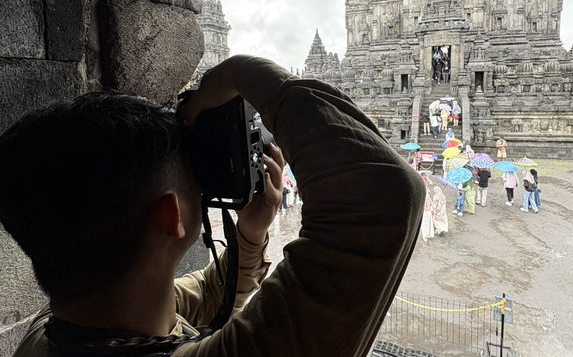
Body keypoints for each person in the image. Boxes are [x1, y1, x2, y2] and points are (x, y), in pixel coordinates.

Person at [1, 55, 424, 357]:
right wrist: (242, 72)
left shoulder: (57, 324)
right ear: (170, 216)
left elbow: (208, 294)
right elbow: (385, 193)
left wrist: (251, 232)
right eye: (193, 174)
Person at [419, 172, 434, 241]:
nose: (425, 176)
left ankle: (428, 234)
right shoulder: (420, 180)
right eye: (424, 175)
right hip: (423, 191)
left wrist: (428, 179)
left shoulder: (426, 180)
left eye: (425, 175)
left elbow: (431, 183)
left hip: (427, 191)